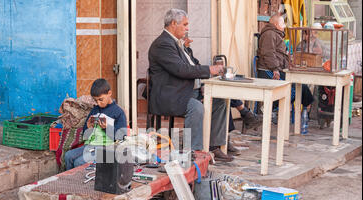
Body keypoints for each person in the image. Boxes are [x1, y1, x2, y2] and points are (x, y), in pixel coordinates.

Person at [148, 8, 235, 162]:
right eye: (185, 24)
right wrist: (209, 70)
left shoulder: (176, 43)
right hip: (170, 95)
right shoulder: (162, 44)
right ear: (174, 24)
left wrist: (201, 82)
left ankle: (214, 145)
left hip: (184, 91)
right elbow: (181, 70)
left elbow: (190, 65)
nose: (188, 28)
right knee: (196, 108)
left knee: (220, 101)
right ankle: (193, 151)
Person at [183, 36, 262, 156]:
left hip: (198, 89)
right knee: (223, 97)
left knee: (224, 98)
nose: (188, 38)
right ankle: (244, 115)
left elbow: (196, 66)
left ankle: (222, 141)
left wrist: (203, 83)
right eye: (185, 31)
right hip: (188, 94)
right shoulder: (174, 50)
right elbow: (187, 71)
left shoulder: (187, 51)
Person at [257, 14, 314, 119]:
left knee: (300, 86)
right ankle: (269, 107)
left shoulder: (276, 34)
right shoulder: (269, 34)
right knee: (294, 89)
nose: (284, 26)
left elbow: (281, 54)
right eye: (282, 23)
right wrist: (275, 69)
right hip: (268, 70)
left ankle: (307, 108)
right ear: (275, 24)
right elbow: (268, 53)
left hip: (278, 69)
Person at [64, 79, 127, 170]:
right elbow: (86, 135)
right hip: (91, 145)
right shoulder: (95, 110)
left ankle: (81, 182)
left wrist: (107, 128)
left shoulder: (118, 112)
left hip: (107, 149)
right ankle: (70, 179)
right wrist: (88, 127)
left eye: (101, 100)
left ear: (109, 93)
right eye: (95, 100)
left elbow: (121, 138)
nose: (98, 103)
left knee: (79, 162)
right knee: (68, 156)